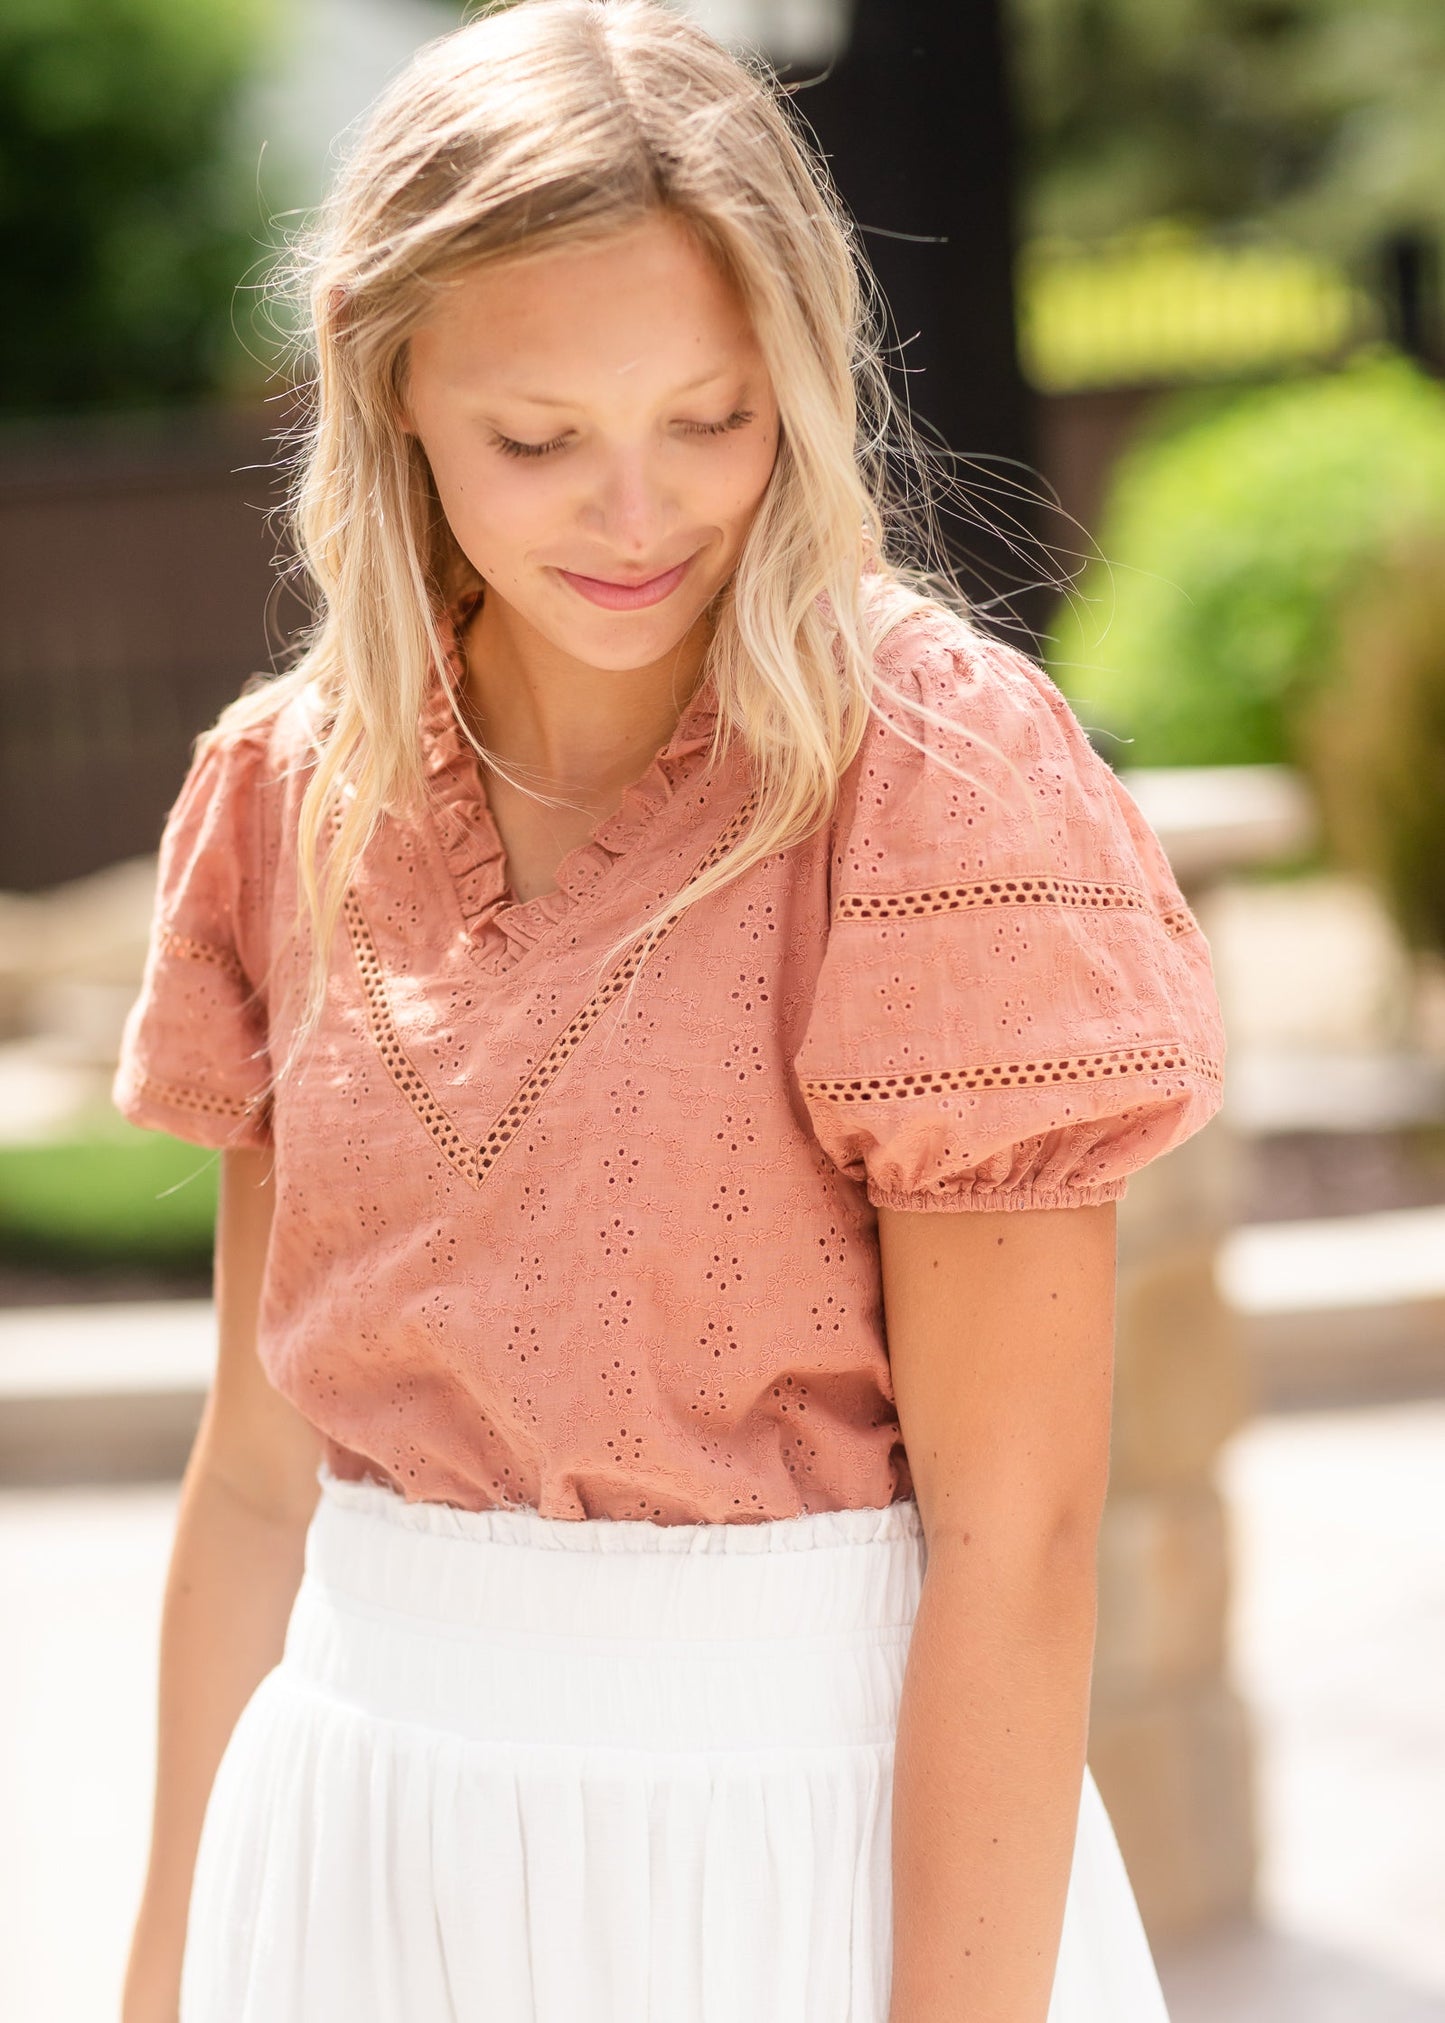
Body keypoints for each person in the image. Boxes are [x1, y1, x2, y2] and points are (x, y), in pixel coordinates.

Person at [112, 3, 1226, 2019]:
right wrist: (159, 1971)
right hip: (351, 1851)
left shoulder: (934, 785)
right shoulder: (290, 790)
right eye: (539, 439)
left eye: (712, 418)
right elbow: (259, 1475)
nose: (639, 515)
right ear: (391, 384)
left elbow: (1022, 1532)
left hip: (794, 1856)